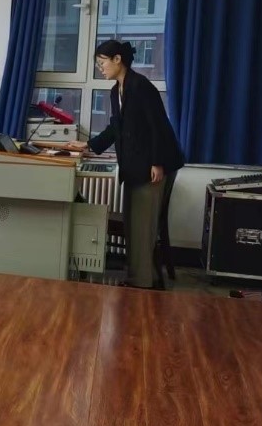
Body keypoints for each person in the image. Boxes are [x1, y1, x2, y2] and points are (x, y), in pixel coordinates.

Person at [61, 40, 185, 289]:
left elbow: (158, 126)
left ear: (118, 59)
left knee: (142, 226)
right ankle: (147, 278)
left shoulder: (141, 86)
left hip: (152, 166)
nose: (100, 69)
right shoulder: (116, 90)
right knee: (134, 223)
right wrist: (88, 145)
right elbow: (115, 128)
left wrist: (157, 163)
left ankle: (141, 283)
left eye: (102, 63)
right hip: (136, 167)